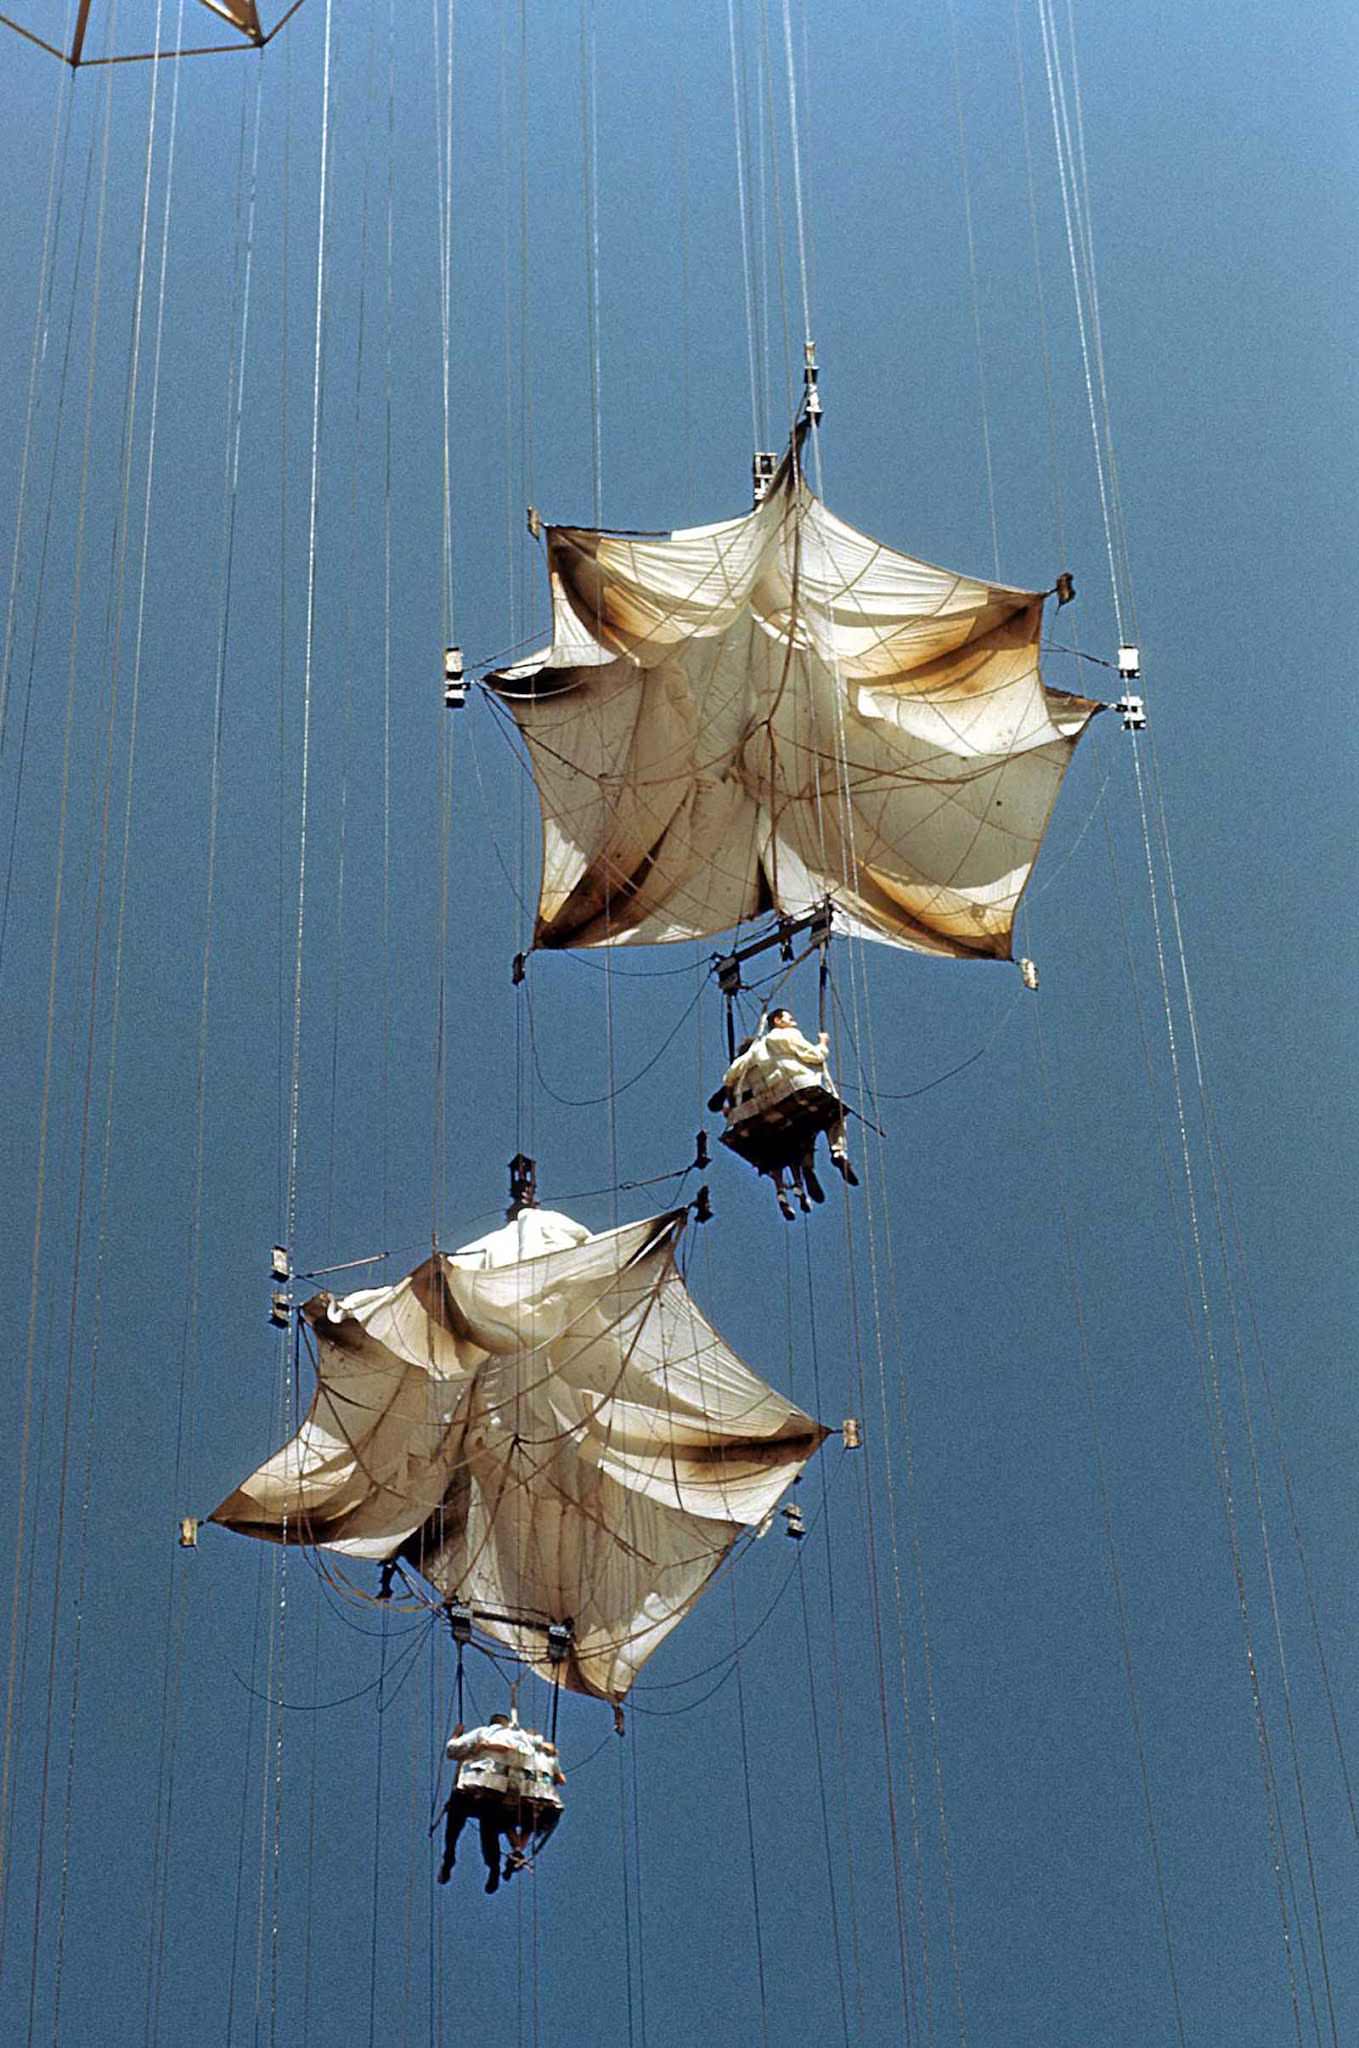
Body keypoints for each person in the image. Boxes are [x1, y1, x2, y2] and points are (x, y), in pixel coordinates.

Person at [711, 1008, 858, 1218]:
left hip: (758, 1106)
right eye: (791, 1018)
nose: (795, 1022)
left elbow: (731, 1074)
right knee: (834, 1113)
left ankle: (805, 1170)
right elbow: (814, 1056)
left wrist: (726, 1090)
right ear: (778, 1021)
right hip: (794, 1087)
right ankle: (837, 1152)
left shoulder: (753, 1050)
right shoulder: (786, 1034)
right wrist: (823, 1043)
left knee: (800, 1132)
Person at [438, 1712, 565, 1893]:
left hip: (476, 1785)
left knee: (456, 1816)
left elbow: (452, 1751)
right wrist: (549, 1749)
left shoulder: (481, 1733)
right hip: (500, 1790)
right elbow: (540, 1745)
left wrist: (455, 1736)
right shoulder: (520, 1736)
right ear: (507, 1725)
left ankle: (449, 1855)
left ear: (492, 1724)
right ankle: (494, 1867)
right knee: (489, 1826)